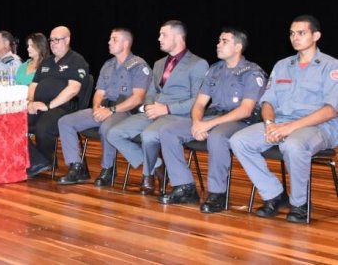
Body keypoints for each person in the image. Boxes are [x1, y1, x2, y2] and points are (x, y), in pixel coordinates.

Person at [230, 15, 338, 223]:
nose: (295, 37)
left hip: (318, 126)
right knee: (239, 140)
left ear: (316, 36)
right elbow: (268, 102)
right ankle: (275, 195)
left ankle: (300, 204)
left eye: (301, 33)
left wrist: (289, 128)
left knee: (293, 144)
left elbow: (331, 111)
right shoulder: (282, 65)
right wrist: (270, 124)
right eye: (292, 33)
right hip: (281, 123)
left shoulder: (331, 67)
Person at [157, 27, 266, 211]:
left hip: (239, 122)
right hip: (212, 118)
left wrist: (208, 124)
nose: (218, 44)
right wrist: (197, 123)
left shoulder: (252, 72)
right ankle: (184, 187)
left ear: (238, 46)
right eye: (219, 40)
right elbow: (199, 104)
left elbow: (246, 110)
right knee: (168, 131)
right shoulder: (214, 70)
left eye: (224, 41)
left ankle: (217, 194)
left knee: (217, 137)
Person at [106, 20, 208, 195]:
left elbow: (197, 101)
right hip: (155, 111)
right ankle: (158, 166)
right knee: (113, 134)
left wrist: (167, 109)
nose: (159, 38)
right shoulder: (160, 63)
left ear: (178, 37)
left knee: (149, 135)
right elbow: (151, 91)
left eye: (164, 35)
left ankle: (147, 176)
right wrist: (148, 106)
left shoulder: (198, 64)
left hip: (178, 114)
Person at [57, 28, 151, 185]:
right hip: (104, 109)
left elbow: (137, 98)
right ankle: (77, 167)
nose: (109, 42)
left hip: (124, 111)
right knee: (65, 121)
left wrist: (111, 110)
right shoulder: (108, 65)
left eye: (114, 39)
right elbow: (99, 93)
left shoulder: (139, 66)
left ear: (126, 43)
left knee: (106, 128)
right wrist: (96, 109)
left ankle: (108, 169)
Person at [26, 26, 90, 178]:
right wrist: (30, 102)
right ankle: (39, 161)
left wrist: (48, 106)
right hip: (40, 106)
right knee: (15, 122)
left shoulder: (76, 60)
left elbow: (73, 89)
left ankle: (44, 161)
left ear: (67, 40)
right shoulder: (46, 62)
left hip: (63, 107)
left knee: (43, 127)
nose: (53, 43)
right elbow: (33, 85)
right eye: (51, 40)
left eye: (57, 40)